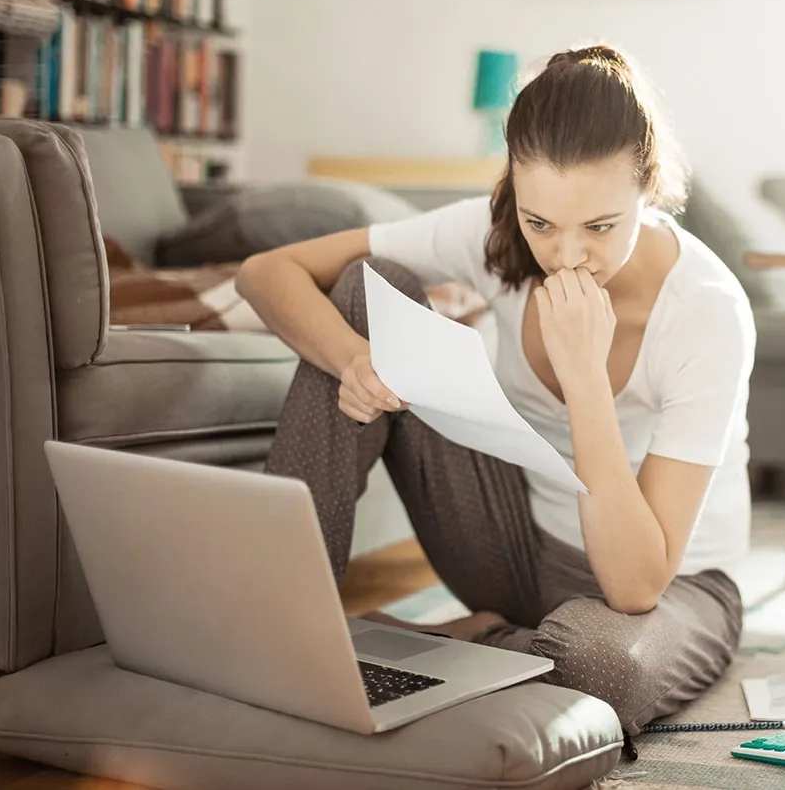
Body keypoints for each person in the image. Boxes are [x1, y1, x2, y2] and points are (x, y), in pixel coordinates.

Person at [236, 43, 756, 736]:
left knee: (601, 670)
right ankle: (284, 629)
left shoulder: (707, 311)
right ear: (516, 191)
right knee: (369, 286)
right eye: (541, 222)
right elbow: (266, 273)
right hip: (516, 546)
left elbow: (637, 584)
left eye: (601, 226)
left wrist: (584, 379)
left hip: (672, 588)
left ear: (648, 189)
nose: (567, 255)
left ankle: (451, 642)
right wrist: (353, 359)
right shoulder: (492, 234)